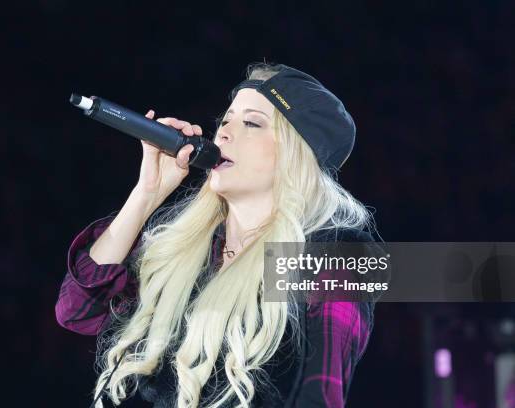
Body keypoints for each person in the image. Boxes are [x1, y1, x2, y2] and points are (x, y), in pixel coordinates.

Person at [55, 62, 379, 408]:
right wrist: (146, 194)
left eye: (251, 123)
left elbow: (320, 394)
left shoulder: (334, 252)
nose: (222, 134)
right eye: (225, 121)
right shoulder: (184, 252)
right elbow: (75, 311)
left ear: (295, 154)